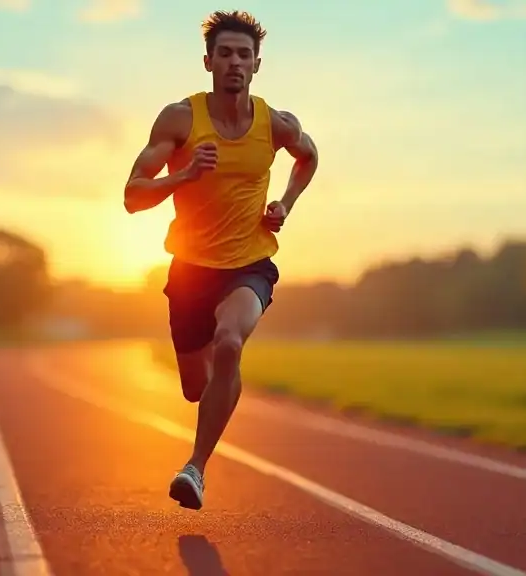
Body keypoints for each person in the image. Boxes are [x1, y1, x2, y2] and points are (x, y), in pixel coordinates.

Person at [122, 10, 319, 510]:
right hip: (189, 272)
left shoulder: (275, 124)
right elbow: (132, 195)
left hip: (249, 264)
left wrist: (285, 205)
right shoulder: (180, 119)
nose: (235, 62)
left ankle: (195, 468)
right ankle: (217, 399)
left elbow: (309, 156)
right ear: (208, 61)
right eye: (225, 53)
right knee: (196, 387)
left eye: (244, 55)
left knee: (230, 341)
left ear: (257, 65)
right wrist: (181, 177)